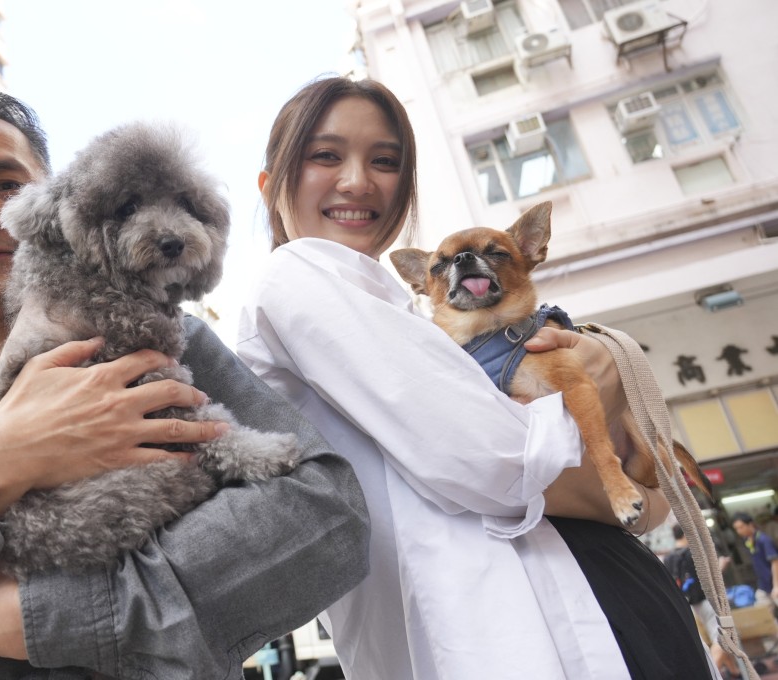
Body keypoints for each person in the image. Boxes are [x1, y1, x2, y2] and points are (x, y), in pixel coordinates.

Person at [0, 88, 371, 679]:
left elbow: (329, 518)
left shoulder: (181, 344)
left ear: (58, 208)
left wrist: (54, 618)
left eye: (7, 185)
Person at [238, 75, 719, 679]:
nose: (358, 181)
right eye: (325, 155)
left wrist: (635, 485)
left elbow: (582, 484)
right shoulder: (298, 275)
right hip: (539, 622)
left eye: (385, 161)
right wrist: (604, 385)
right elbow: (500, 461)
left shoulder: (395, 306)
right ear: (270, 183)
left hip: (574, 606)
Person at [664, 524, 740, 677]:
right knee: (723, 638)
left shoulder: (669, 557)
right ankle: (710, 674)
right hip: (707, 600)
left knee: (717, 635)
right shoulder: (693, 553)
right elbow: (710, 578)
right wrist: (722, 565)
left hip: (691, 603)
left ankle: (735, 672)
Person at [732, 511, 778, 604]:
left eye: (741, 527)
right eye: (736, 529)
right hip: (764, 586)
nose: (739, 531)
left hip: (774, 583)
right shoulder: (748, 541)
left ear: (750, 524)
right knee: (762, 610)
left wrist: (776, 586)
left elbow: (775, 562)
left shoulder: (763, 540)